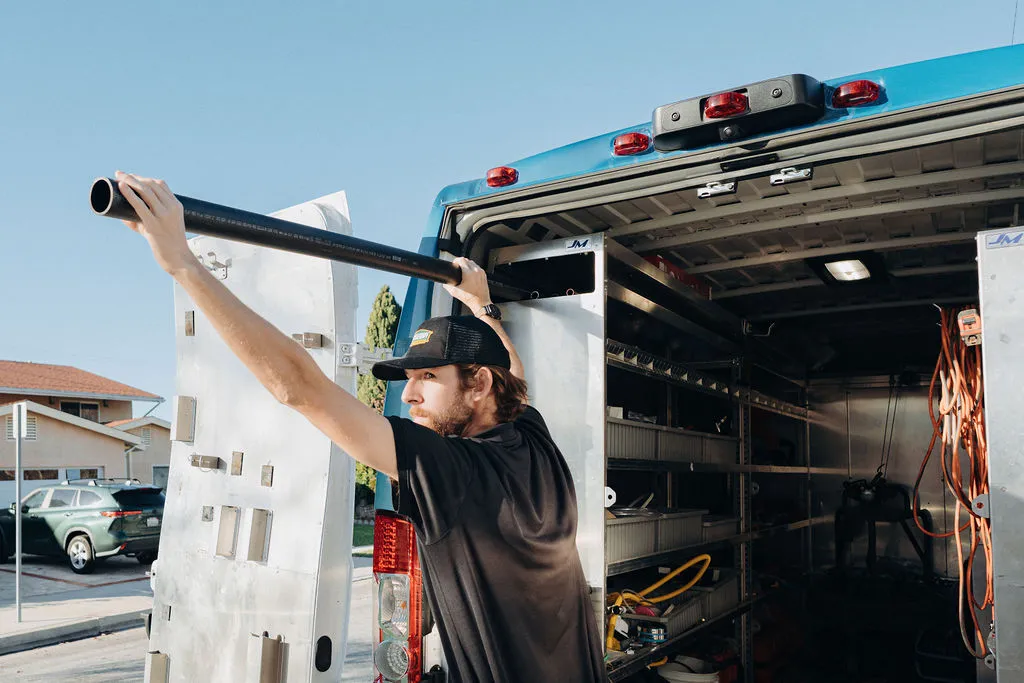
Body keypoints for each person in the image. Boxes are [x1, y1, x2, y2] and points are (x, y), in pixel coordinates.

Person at [114, 171, 608, 682]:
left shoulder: (452, 471)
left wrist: (183, 264)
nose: (410, 395)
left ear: (479, 384)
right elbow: (513, 371)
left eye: (428, 378)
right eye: (410, 379)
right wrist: (479, 306)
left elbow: (300, 387)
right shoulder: (532, 439)